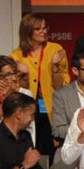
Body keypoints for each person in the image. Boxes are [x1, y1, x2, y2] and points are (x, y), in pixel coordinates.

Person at [11, 13, 68, 156]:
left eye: (45, 27)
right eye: (38, 29)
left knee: (50, 148)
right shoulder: (16, 55)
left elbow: (60, 87)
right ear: (28, 31)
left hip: (51, 108)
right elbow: (16, 89)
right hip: (27, 108)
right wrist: (24, 75)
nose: (44, 31)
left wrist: (54, 67)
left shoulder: (56, 49)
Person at [0, 55, 34, 138]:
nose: (14, 78)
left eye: (15, 73)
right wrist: (5, 102)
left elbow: (27, 125)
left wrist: (11, 98)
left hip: (21, 142)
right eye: (9, 74)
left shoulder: (26, 94)